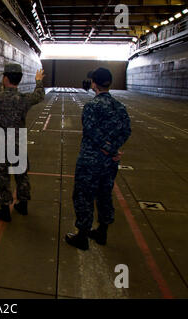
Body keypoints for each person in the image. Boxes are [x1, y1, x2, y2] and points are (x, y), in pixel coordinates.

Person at [65, 67, 131, 250]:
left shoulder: (92, 106)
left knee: (83, 196)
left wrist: (107, 149)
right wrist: (113, 149)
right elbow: (126, 131)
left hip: (90, 160)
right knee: (104, 195)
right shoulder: (119, 106)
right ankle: (102, 232)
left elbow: (92, 132)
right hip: (109, 163)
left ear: (94, 83)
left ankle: (83, 236)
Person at [0, 64, 45, 222]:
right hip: (18, 142)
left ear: (5, 78)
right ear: (19, 80)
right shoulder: (23, 99)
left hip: (1, 144)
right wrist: (38, 81)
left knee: (3, 176)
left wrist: (2, 82)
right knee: (21, 174)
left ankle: (5, 209)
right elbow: (39, 95)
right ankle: (23, 204)